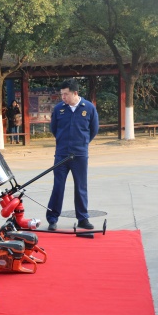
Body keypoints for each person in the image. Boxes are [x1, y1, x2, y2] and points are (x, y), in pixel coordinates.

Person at [46, 78, 99, 231]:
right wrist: (63, 142)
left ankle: (83, 218)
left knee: (81, 186)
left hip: (80, 155)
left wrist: (82, 143)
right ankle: (52, 219)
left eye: (66, 94)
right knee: (58, 186)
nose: (63, 97)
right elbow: (54, 129)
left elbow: (94, 129)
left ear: (75, 93)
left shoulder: (88, 108)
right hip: (61, 154)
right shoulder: (59, 109)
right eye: (62, 94)